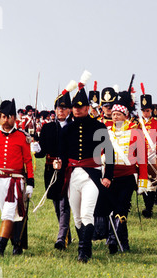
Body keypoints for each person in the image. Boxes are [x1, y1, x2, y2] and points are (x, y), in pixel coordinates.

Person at [60, 86, 114, 263]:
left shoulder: (98, 127)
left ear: (88, 108)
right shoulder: (67, 129)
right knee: (76, 217)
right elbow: (62, 153)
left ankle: (83, 252)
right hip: (73, 175)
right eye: (75, 106)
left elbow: (109, 152)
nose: (77, 109)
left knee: (87, 214)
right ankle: (85, 245)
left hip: (93, 175)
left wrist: (108, 176)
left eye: (81, 106)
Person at [0, 99, 34, 256]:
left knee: (9, 213)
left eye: (8, 116)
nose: (5, 119)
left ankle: (0, 247)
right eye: (2, 116)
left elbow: (28, 162)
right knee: (11, 215)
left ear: (14, 118)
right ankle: (16, 245)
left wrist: (30, 182)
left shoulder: (22, 137)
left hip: (15, 181)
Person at [102, 91, 148, 253]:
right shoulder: (107, 132)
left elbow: (142, 159)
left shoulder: (136, 133)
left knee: (122, 208)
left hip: (128, 177)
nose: (115, 117)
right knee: (114, 209)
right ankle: (124, 242)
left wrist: (143, 182)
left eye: (118, 114)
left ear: (126, 115)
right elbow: (101, 152)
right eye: (113, 114)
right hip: (111, 177)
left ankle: (113, 240)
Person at [32, 89, 73, 250]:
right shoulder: (48, 128)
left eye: (63, 108)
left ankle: (61, 238)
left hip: (67, 170)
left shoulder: (73, 127)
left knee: (64, 204)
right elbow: (42, 153)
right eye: (58, 108)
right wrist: (36, 148)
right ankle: (66, 232)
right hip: (50, 171)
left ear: (69, 109)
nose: (60, 111)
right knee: (57, 204)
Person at [138, 85, 157, 218]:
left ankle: (148, 209)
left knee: (152, 183)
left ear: (152, 110)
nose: (145, 113)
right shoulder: (137, 124)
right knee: (142, 182)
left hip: (153, 157)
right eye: (143, 110)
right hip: (140, 157)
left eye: (148, 110)